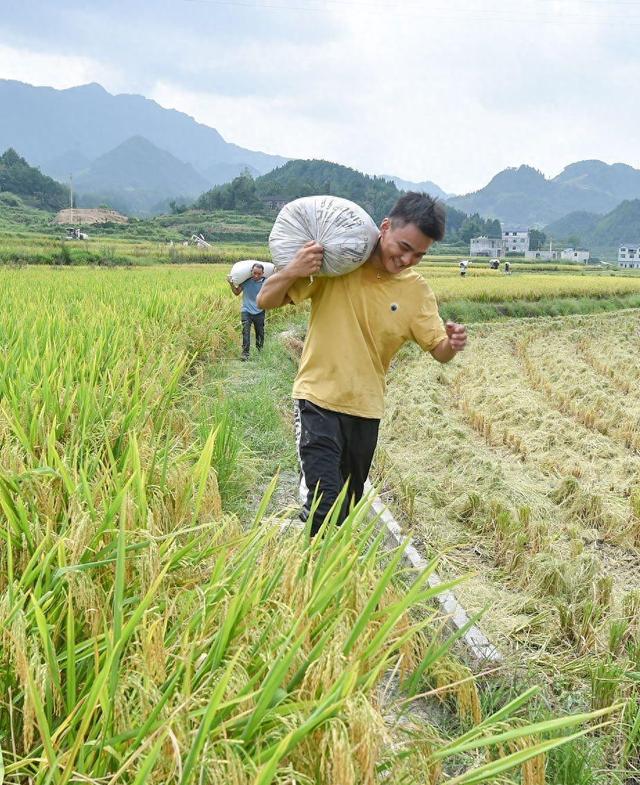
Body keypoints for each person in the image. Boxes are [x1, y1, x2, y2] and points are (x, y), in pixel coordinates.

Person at [257, 192, 468, 535]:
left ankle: (331, 578)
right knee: (324, 507)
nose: (407, 259)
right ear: (384, 227)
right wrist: (295, 268)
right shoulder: (339, 264)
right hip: (318, 401)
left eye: (419, 254)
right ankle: (311, 581)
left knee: (345, 511)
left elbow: (438, 350)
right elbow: (266, 299)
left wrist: (453, 344)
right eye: (403, 247)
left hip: (366, 410)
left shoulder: (416, 291)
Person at [228, 263, 266, 361]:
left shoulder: (266, 282)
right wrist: (231, 283)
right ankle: (245, 354)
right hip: (246, 311)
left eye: (259, 274)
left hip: (260, 311)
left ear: (263, 273)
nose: (256, 276)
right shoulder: (246, 281)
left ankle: (260, 352)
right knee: (245, 332)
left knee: (260, 333)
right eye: (254, 273)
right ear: (251, 272)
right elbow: (237, 292)